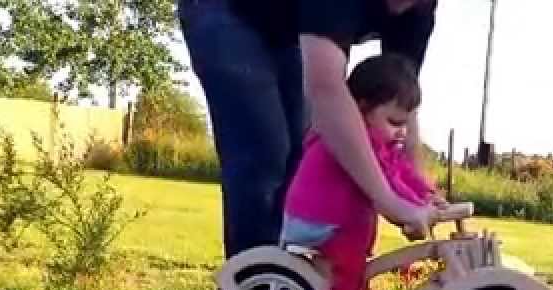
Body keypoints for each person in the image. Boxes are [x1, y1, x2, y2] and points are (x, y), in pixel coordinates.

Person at [176, 0, 440, 264]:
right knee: (266, 157)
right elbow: (326, 90)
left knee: (299, 160)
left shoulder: (419, 10)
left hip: (285, 29)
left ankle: (281, 287)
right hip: (224, 11)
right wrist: (389, 201)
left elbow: (402, 102)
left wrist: (419, 191)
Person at [279, 54, 443, 290]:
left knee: (358, 255)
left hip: (335, 219)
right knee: (351, 256)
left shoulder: (377, 141)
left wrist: (427, 196)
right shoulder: (356, 138)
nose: (402, 132)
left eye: (405, 124)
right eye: (394, 122)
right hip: (318, 220)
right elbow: (389, 179)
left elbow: (400, 171)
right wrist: (413, 206)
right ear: (362, 108)